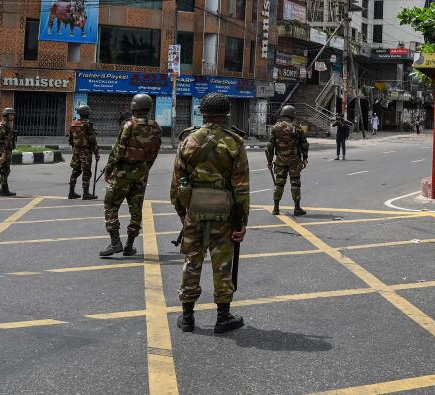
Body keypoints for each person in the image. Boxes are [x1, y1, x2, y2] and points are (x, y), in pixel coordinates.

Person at [170, 92, 249, 333]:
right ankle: (223, 317)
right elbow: (241, 189)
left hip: (194, 210)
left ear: (202, 113)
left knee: (191, 261)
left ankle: (187, 317)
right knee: (223, 262)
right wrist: (241, 223)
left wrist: (183, 214)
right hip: (224, 213)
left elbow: (176, 184)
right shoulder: (234, 142)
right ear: (226, 115)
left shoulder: (188, 140)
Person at [100, 94, 163, 257]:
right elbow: (154, 153)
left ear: (134, 106)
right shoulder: (155, 127)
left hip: (122, 174)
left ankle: (115, 243)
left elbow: (118, 151)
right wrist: (144, 168)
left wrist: (108, 170)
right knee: (136, 210)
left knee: (111, 205)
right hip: (141, 175)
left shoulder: (129, 125)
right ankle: (129, 246)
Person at [266, 105, 309, 216]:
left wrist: (269, 162)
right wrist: (305, 159)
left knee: (279, 184)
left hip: (280, 161)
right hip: (294, 162)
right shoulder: (298, 128)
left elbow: (270, 146)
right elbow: (304, 144)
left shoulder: (276, 128)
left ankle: (276, 208)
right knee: (295, 184)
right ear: (292, 115)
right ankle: (297, 208)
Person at [67, 105, 100, 200]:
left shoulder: (73, 124)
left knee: (76, 170)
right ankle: (86, 193)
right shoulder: (88, 124)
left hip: (76, 150)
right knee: (86, 172)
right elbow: (92, 140)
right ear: (87, 113)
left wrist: (76, 147)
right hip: (85, 151)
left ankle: (71, 192)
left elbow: (70, 139)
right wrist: (96, 153)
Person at [0, 108, 17, 196]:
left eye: (13, 115)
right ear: (6, 115)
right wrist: (3, 153)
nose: (12, 116)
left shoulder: (3, 124)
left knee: (0, 169)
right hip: (4, 150)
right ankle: (4, 190)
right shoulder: (3, 125)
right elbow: (2, 141)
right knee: (5, 170)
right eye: (11, 115)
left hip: (3, 150)